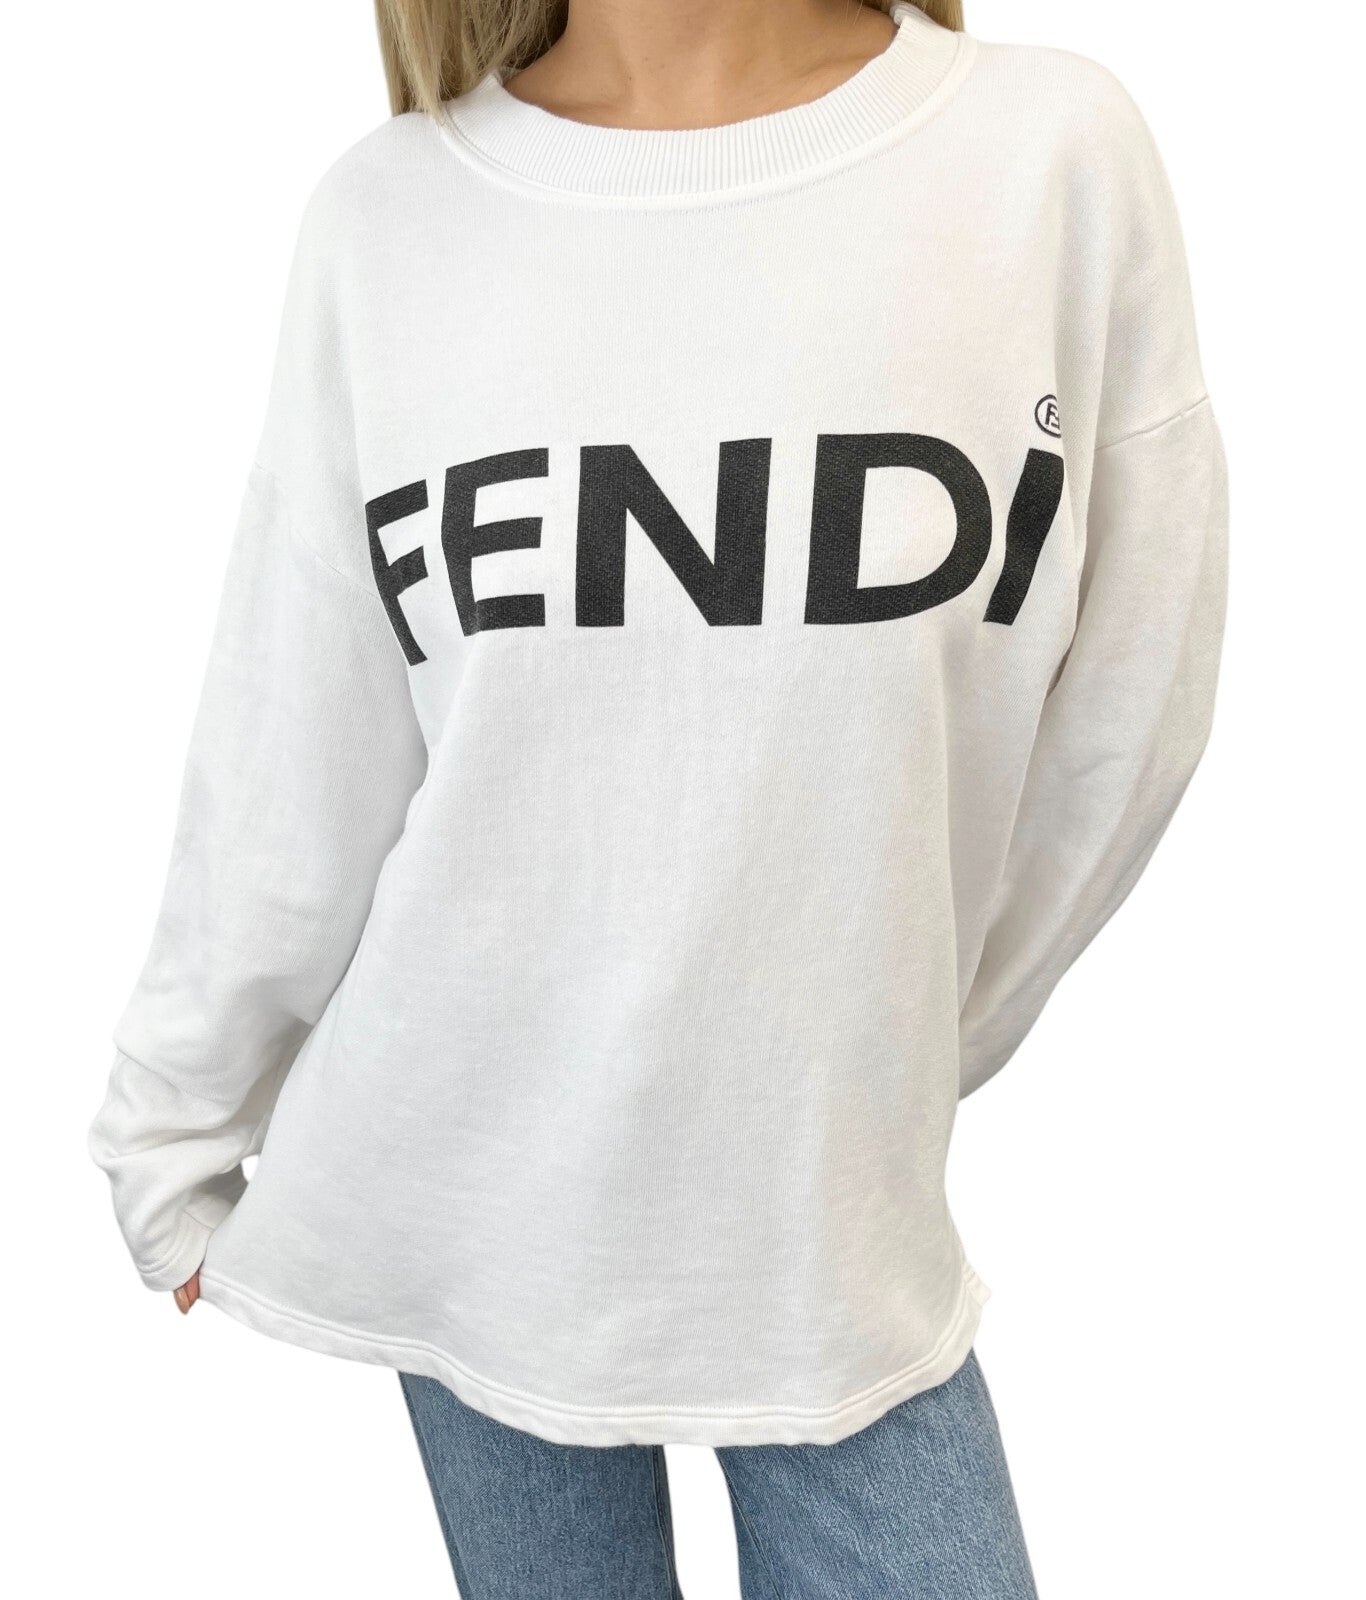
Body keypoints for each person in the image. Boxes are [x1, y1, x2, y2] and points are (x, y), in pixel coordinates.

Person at [89, 1, 1227, 1593]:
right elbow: (298, 731)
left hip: (823, 1223)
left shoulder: (1040, 153)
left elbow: (1127, 709)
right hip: (462, 1197)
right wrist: (172, 1132)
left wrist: (875, 1051)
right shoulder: (389, 215)